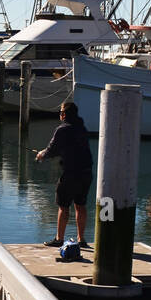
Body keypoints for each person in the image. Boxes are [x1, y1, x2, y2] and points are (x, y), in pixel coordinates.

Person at [34, 99, 93, 247]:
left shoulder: (62, 129)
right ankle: (81, 239)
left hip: (71, 173)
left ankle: (59, 239)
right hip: (86, 172)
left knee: (63, 206)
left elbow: (52, 149)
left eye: (60, 112)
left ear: (64, 114)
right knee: (81, 205)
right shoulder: (82, 127)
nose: (59, 115)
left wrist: (41, 155)